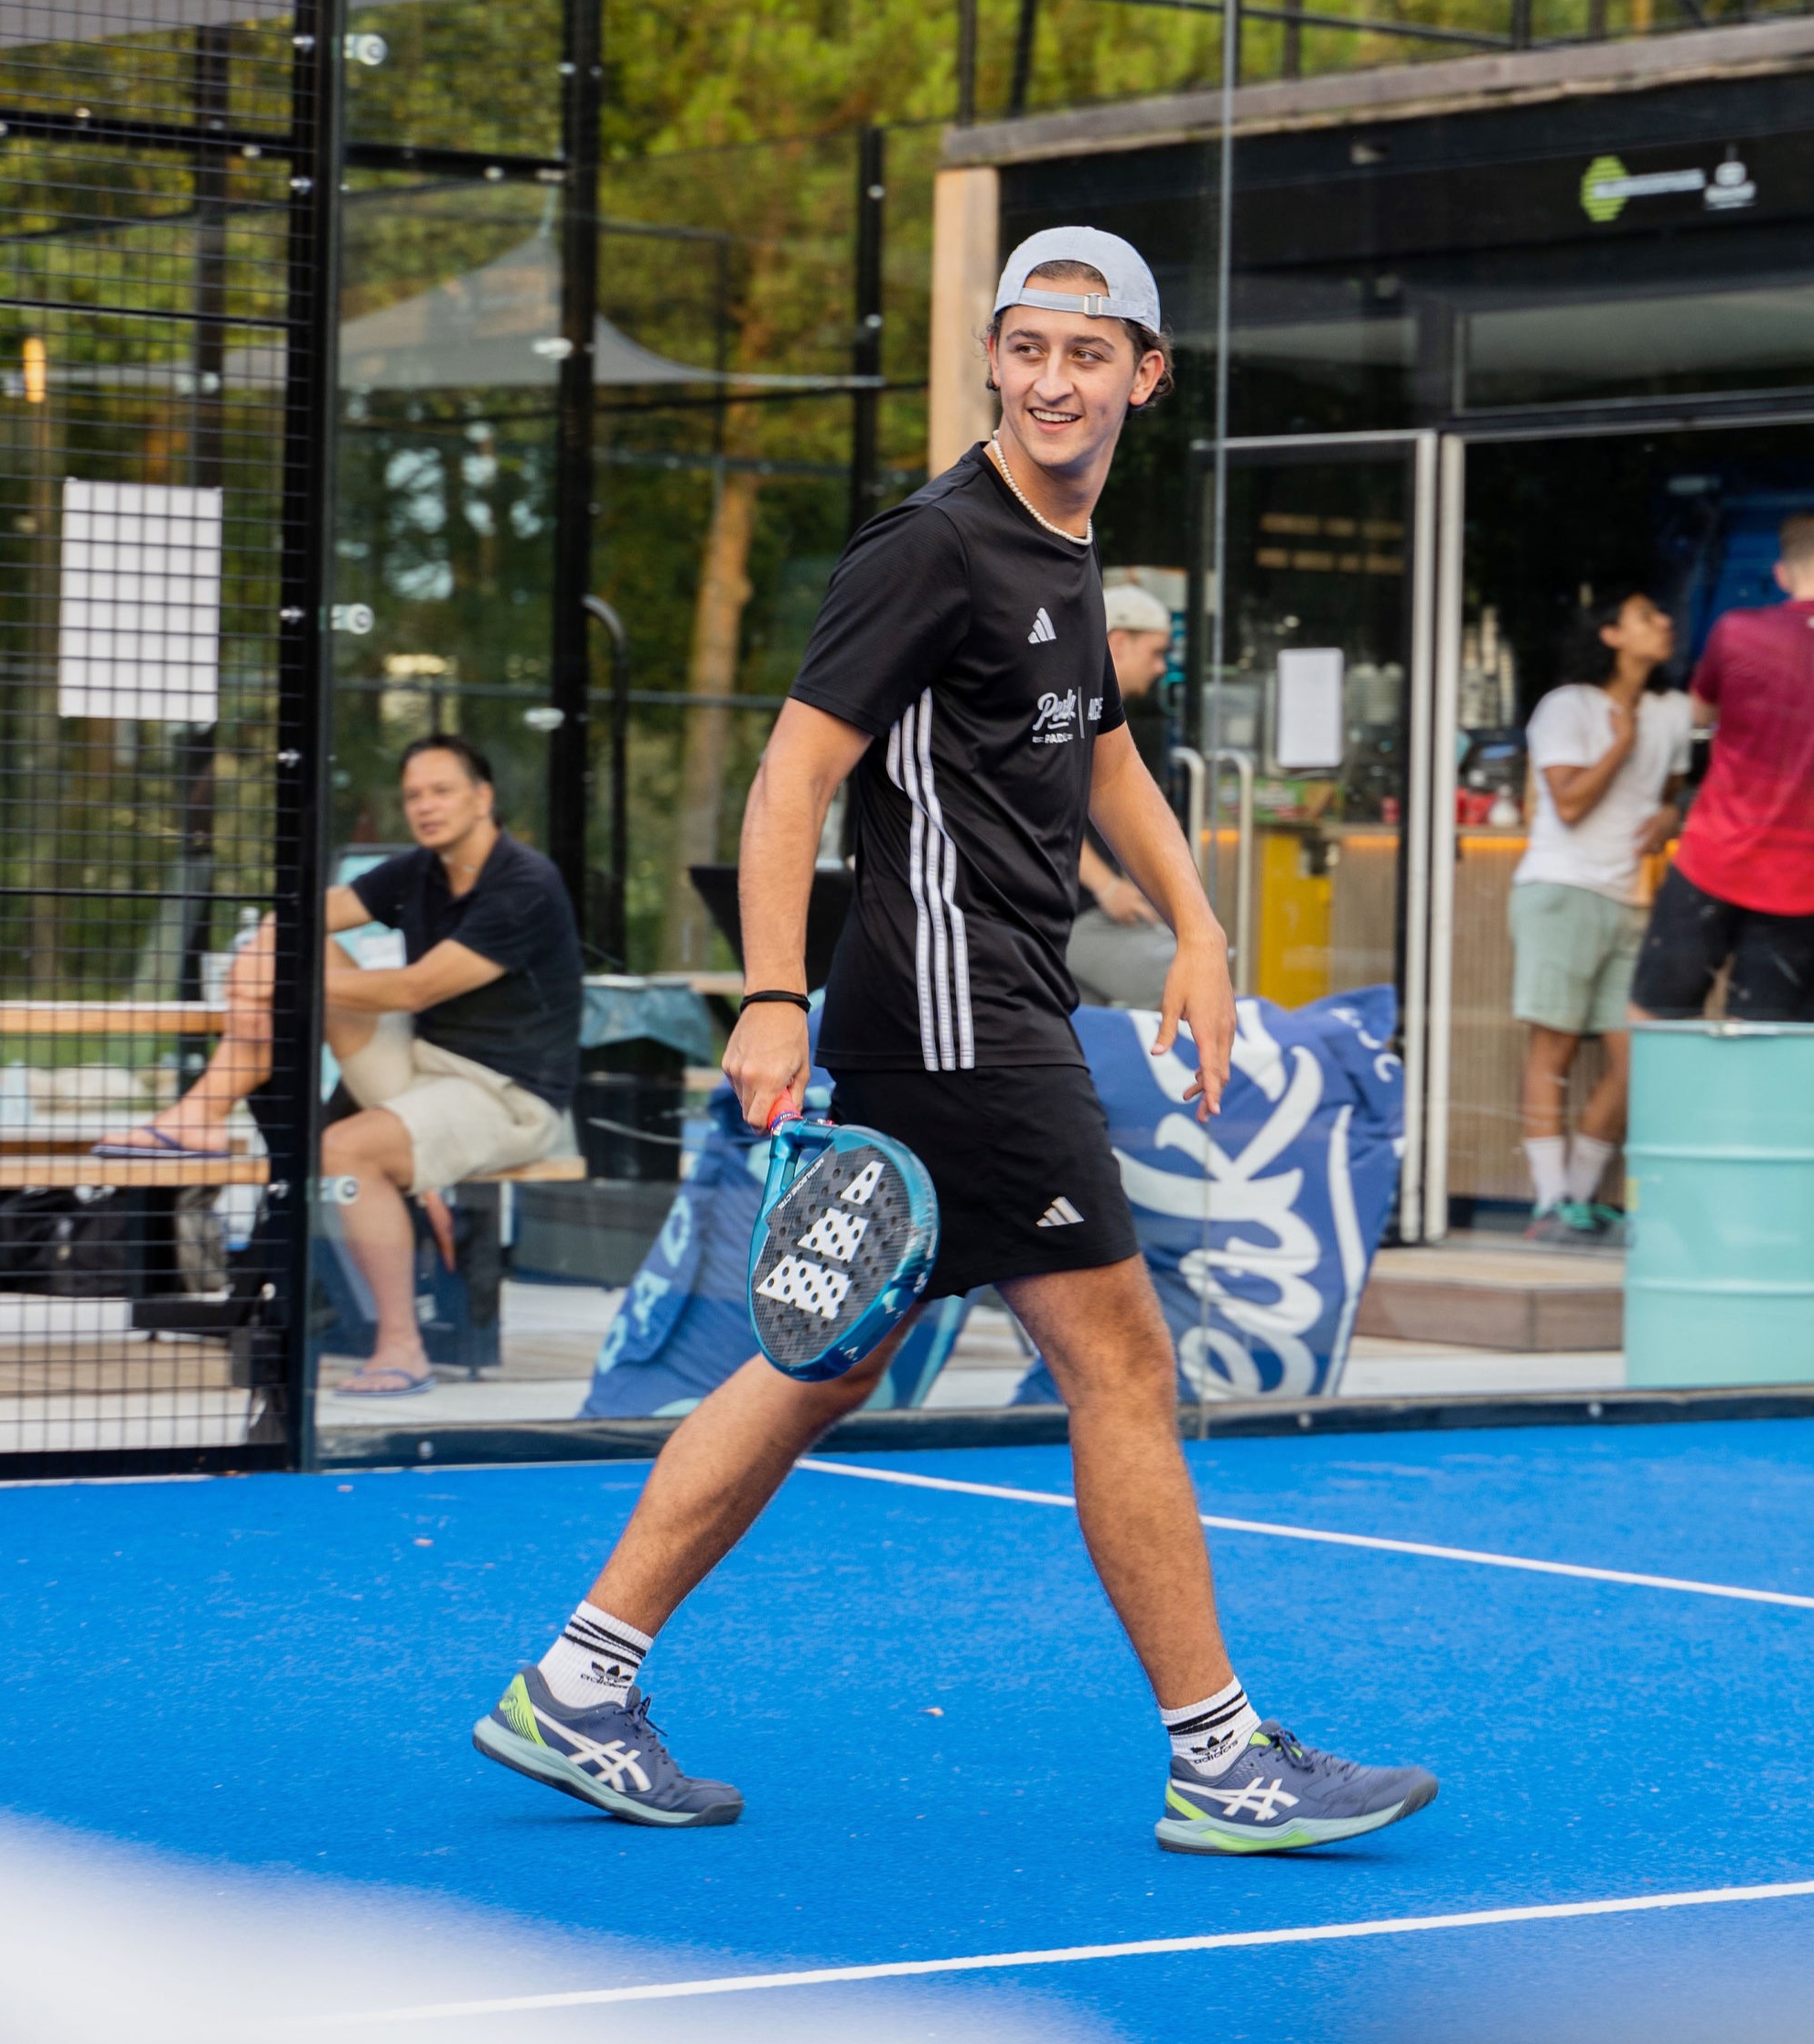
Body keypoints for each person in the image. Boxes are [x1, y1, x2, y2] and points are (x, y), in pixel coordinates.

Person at [471, 228, 1438, 1855]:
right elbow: (790, 782)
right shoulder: (930, 546)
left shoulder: (1059, 546)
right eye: (1028, 347)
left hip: (973, 1011)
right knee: (1119, 1361)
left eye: (1088, 350)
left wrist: (1199, 929)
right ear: (995, 360)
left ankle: (578, 1678)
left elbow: (1104, 750)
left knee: (824, 1367)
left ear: (1145, 375)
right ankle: (1221, 1759)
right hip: (957, 1019)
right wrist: (771, 995)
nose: (1055, 377)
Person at [95, 735, 581, 1397]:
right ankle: (198, 1116)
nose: (425, 806)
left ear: (482, 797)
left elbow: (414, 989)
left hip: (506, 1095)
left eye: (441, 791)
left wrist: (281, 980)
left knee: (343, 1149)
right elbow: (302, 918)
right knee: (288, 951)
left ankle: (402, 1349)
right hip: (421, 1064)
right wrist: (261, 958)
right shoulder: (418, 870)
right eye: (413, 795)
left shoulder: (525, 882)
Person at [1629, 513, 1814, 1024]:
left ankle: (1666, 1107)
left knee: (1657, 1018)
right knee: (1768, 1039)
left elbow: (1701, 713)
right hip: (1805, 878)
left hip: (1711, 859)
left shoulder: (1736, 633)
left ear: (1781, 575)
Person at [1510, 590, 1692, 1243]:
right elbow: (1570, 804)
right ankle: (1549, 1200)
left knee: (1636, 1057)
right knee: (1552, 1048)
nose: (1665, 624)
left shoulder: (1673, 710)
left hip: (1631, 898)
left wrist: (1674, 814)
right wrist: (1620, 744)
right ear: (1612, 634)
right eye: (1648, 617)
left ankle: (1577, 1200)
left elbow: (1667, 794)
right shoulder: (1569, 706)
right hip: (1561, 889)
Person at [1068, 581, 1180, 1009]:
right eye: (1156, 653)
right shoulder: (1072, 706)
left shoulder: (1103, 711)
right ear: (1117, 642)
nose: (1160, 669)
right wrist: (1108, 887)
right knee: (1190, 980)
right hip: (1069, 917)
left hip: (1088, 913)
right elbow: (1047, 811)